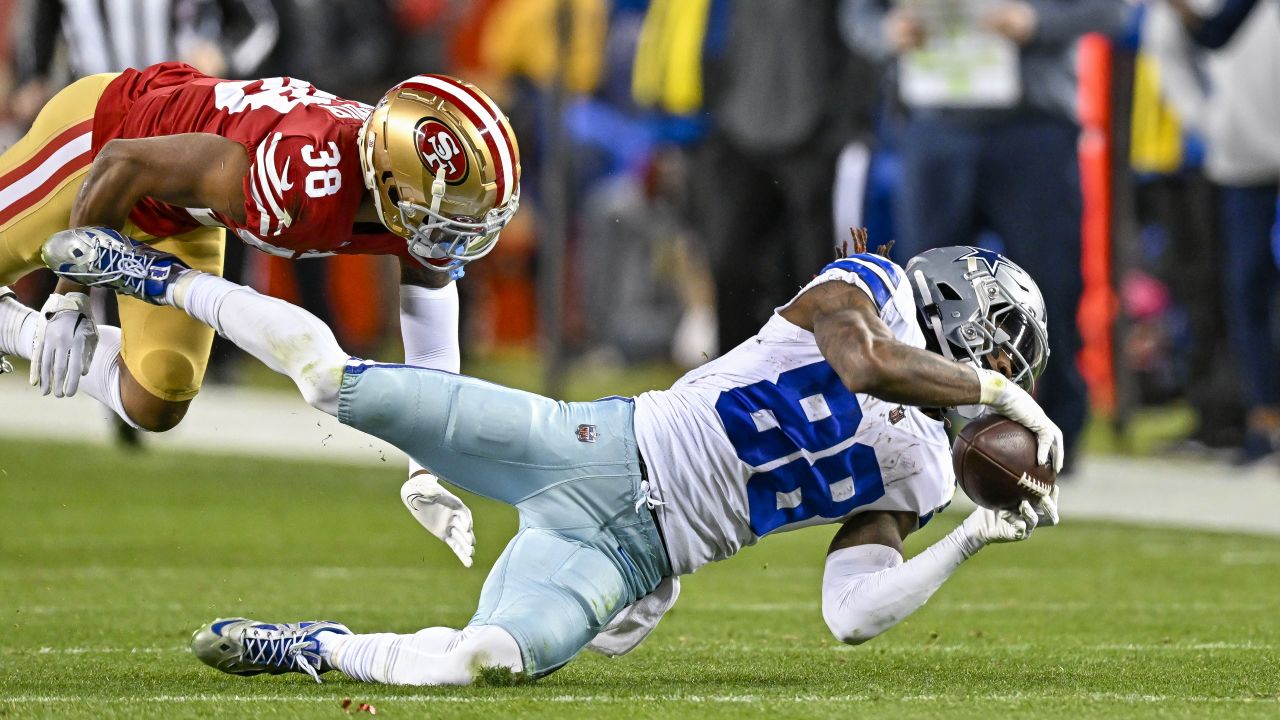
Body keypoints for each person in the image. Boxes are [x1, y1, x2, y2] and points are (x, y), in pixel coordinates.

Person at [42, 228, 1062, 685]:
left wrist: (972, 533)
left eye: (1010, 360)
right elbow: (863, 362)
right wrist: (998, 392)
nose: (1005, 363)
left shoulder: (925, 474)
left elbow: (850, 616)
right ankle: (155, 277)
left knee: (481, 660)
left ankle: (310, 648)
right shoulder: (864, 288)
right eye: (1002, 344)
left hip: (632, 555)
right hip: (586, 448)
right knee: (330, 383)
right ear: (961, 309)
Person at [0, 63, 520, 564]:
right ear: (394, 177)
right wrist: (70, 295)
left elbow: (430, 351)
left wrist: (425, 470)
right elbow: (122, 160)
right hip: (99, 144)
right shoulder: (301, 169)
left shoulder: (399, 192)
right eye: (449, 212)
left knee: (157, 398)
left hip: (176, 216)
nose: (457, 231)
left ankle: (8, 327)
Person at [842, 0, 1128, 471]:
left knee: (1051, 284)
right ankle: (920, 437)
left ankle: (1053, 435)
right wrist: (887, 32)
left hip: (1033, 126)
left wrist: (1037, 23)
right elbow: (858, 16)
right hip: (936, 127)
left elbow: (1112, 11)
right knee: (922, 298)